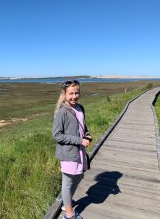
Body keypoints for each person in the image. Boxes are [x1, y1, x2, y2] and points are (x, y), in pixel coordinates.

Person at [52, 80, 92, 219]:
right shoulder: (62, 112)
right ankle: (68, 214)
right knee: (68, 182)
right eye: (71, 93)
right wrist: (79, 140)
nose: (74, 96)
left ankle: (66, 201)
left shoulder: (80, 108)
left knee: (80, 176)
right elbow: (57, 135)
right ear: (64, 94)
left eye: (77, 93)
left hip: (79, 152)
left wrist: (86, 134)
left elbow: (82, 126)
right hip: (68, 153)